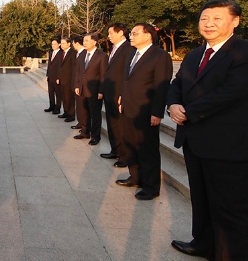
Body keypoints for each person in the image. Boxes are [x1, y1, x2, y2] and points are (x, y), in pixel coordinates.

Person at [167, 0, 248, 261]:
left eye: (216, 18)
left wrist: (188, 111)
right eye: (204, 18)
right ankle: (204, 243)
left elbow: (231, 93)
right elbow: (177, 84)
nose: (209, 23)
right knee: (202, 199)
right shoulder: (194, 55)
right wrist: (173, 104)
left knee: (232, 210)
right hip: (195, 141)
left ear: (235, 21)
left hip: (231, 145)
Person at [116, 23, 173, 200]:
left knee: (147, 150)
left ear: (148, 35)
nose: (131, 36)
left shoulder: (160, 56)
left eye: (135, 33)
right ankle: (135, 177)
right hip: (128, 107)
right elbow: (126, 79)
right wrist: (122, 97)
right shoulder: (132, 54)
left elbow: (162, 86)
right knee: (130, 145)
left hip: (146, 110)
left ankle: (151, 186)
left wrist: (157, 112)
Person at [101, 23, 134, 167]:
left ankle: (125, 156)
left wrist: (122, 93)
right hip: (110, 92)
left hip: (119, 94)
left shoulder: (128, 48)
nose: (108, 36)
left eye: (111, 33)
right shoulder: (114, 48)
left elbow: (127, 74)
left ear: (121, 33)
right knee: (112, 123)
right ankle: (115, 149)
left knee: (121, 126)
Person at [73, 33, 106, 145]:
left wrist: (101, 91)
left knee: (95, 115)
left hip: (94, 91)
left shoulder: (102, 56)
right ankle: (84, 132)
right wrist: (77, 85)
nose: (84, 43)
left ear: (94, 42)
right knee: (83, 113)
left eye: (87, 41)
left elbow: (103, 75)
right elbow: (78, 72)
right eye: (84, 41)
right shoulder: (81, 55)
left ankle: (95, 136)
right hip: (82, 89)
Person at [55, 37, 76, 122]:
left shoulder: (73, 53)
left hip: (69, 79)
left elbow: (74, 68)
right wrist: (58, 77)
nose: (62, 45)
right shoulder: (62, 53)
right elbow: (60, 67)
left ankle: (71, 114)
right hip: (62, 79)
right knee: (64, 97)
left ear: (69, 44)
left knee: (69, 98)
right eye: (61, 43)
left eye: (64, 43)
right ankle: (66, 112)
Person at [70, 36, 86, 128]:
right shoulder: (78, 53)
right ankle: (80, 123)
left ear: (77, 43)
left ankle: (83, 124)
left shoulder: (84, 54)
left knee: (82, 107)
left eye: (73, 43)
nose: (73, 45)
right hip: (77, 84)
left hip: (82, 85)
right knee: (79, 106)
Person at [44, 38, 63, 114]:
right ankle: (51, 106)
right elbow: (49, 65)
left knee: (58, 93)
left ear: (59, 44)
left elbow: (61, 67)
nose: (53, 46)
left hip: (57, 77)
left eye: (55, 44)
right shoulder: (51, 53)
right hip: (50, 76)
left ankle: (57, 108)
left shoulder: (61, 54)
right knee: (51, 93)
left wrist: (59, 77)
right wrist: (47, 74)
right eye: (52, 44)